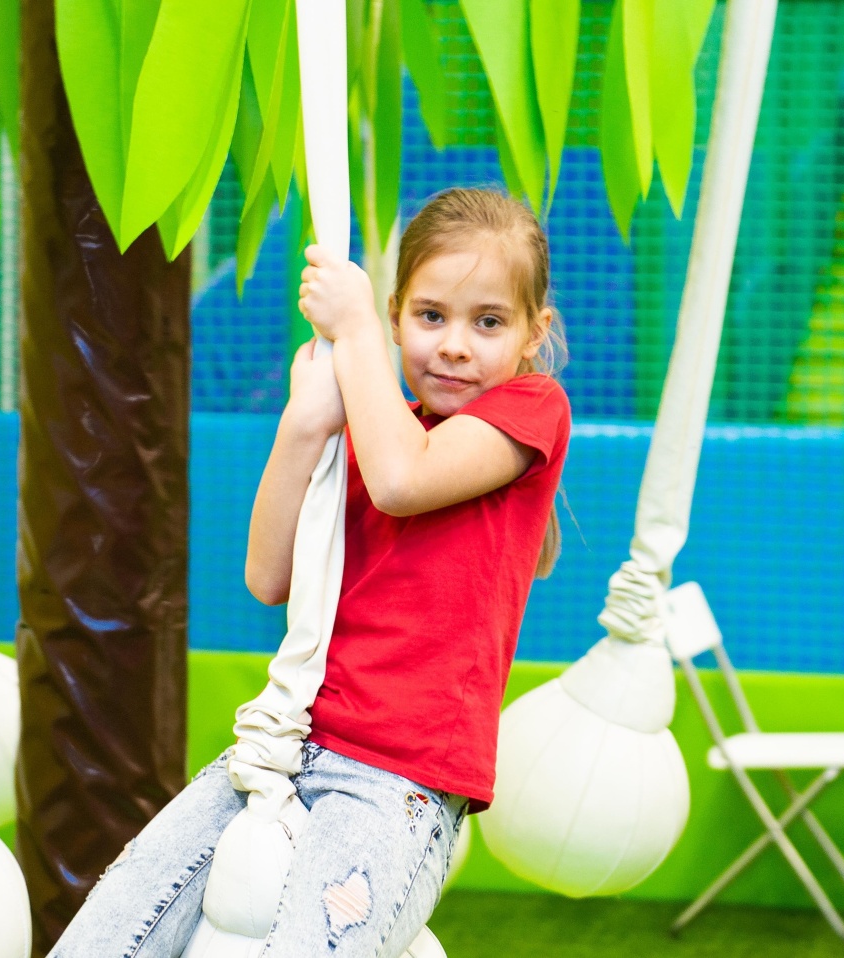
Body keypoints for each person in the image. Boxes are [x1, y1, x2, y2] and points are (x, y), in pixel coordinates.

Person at [49, 188, 571, 957]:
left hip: (399, 782)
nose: (455, 344)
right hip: (285, 745)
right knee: (105, 936)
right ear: (400, 315)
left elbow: (403, 479)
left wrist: (355, 329)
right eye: (431, 316)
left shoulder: (531, 411)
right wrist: (305, 421)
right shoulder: (377, 426)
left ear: (534, 334)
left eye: (488, 322)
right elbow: (267, 574)